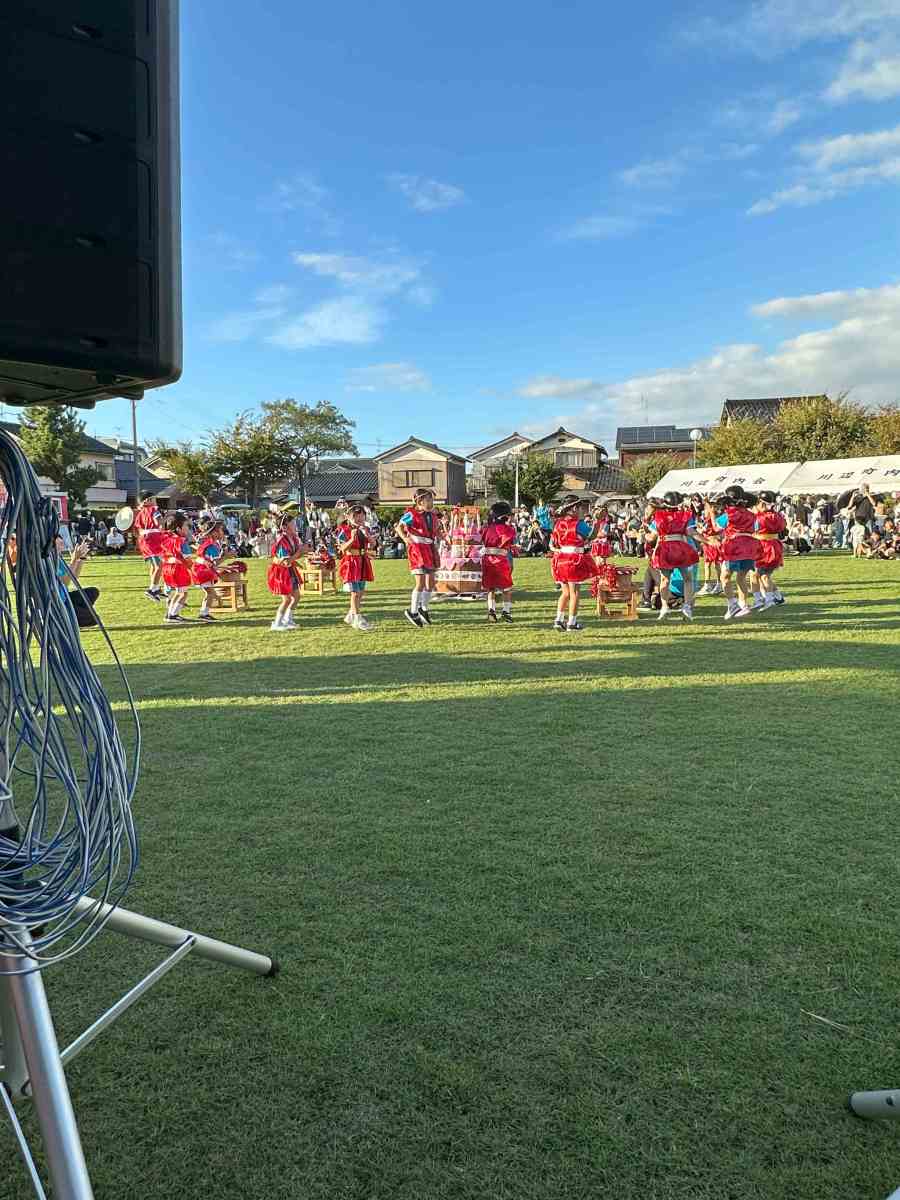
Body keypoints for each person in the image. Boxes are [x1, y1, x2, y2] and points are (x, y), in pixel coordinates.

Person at [395, 488, 444, 628]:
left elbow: (436, 531)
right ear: (420, 501)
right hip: (418, 549)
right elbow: (399, 527)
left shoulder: (433, 516)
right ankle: (413, 611)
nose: (431, 502)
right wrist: (405, 538)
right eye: (428, 500)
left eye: (432, 500)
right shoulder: (411, 514)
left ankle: (424, 608)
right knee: (420, 582)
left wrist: (444, 538)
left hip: (430, 548)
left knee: (431, 583)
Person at [550, 495, 597, 632]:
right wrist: (597, 522)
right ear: (574, 508)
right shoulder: (579, 524)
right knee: (575, 592)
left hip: (561, 559)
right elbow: (592, 536)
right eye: (581, 508)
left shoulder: (558, 523)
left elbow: (553, 543)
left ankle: (558, 620)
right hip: (573, 560)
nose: (582, 511)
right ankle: (572, 622)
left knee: (565, 592)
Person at [649, 492, 699, 621]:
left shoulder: (658, 516)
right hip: (681, 548)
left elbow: (652, 537)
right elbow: (691, 532)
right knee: (688, 579)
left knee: (665, 580)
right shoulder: (686, 515)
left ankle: (665, 607)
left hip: (665, 549)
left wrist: (645, 536)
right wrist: (707, 540)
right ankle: (687, 607)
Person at [718, 486, 758, 620]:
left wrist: (711, 513)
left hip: (734, 547)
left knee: (725, 577)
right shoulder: (751, 514)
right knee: (741, 577)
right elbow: (755, 528)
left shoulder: (728, 514)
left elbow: (717, 527)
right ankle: (743, 605)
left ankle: (732, 604)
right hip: (749, 547)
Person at [335, 505, 375, 631]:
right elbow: (342, 549)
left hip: (362, 561)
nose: (359, 518)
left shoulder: (365, 529)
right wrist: (352, 539)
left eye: (362, 516)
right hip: (351, 562)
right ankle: (357, 618)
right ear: (348, 517)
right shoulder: (344, 530)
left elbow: (373, 544)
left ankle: (351, 614)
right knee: (355, 592)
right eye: (356, 516)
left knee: (361, 592)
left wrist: (368, 536)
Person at [267, 512, 307, 632]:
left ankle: (288, 619)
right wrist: (300, 552)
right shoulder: (281, 541)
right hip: (281, 573)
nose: (295, 526)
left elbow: (293, 557)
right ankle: (277, 623)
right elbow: (285, 562)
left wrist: (304, 551)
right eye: (293, 524)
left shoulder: (293, 539)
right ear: (284, 527)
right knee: (287, 599)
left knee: (296, 596)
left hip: (289, 570)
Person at [481, 501, 518, 623]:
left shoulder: (486, 528)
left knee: (490, 588)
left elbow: (482, 539)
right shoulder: (509, 529)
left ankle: (491, 611)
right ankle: (506, 611)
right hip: (501, 560)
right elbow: (510, 542)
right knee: (506, 588)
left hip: (487, 560)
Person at [752, 492, 787, 609]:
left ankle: (768, 599)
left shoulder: (760, 517)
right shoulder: (777, 516)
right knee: (764, 574)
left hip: (763, 547)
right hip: (774, 545)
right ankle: (777, 597)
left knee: (763, 574)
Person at [160, 512, 195, 625]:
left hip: (167, 568)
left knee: (178, 592)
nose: (188, 528)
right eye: (186, 526)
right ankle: (173, 615)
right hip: (178, 569)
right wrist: (192, 567)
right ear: (179, 529)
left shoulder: (167, 539)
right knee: (183, 593)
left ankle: (170, 614)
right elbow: (187, 558)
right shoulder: (182, 541)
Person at [133, 494, 166, 601]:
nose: (156, 500)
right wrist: (165, 520)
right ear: (148, 500)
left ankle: (155, 588)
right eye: (154, 498)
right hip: (154, 540)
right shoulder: (153, 510)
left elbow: (135, 530)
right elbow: (159, 523)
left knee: (153, 565)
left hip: (144, 540)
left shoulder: (140, 513)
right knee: (159, 566)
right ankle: (152, 589)